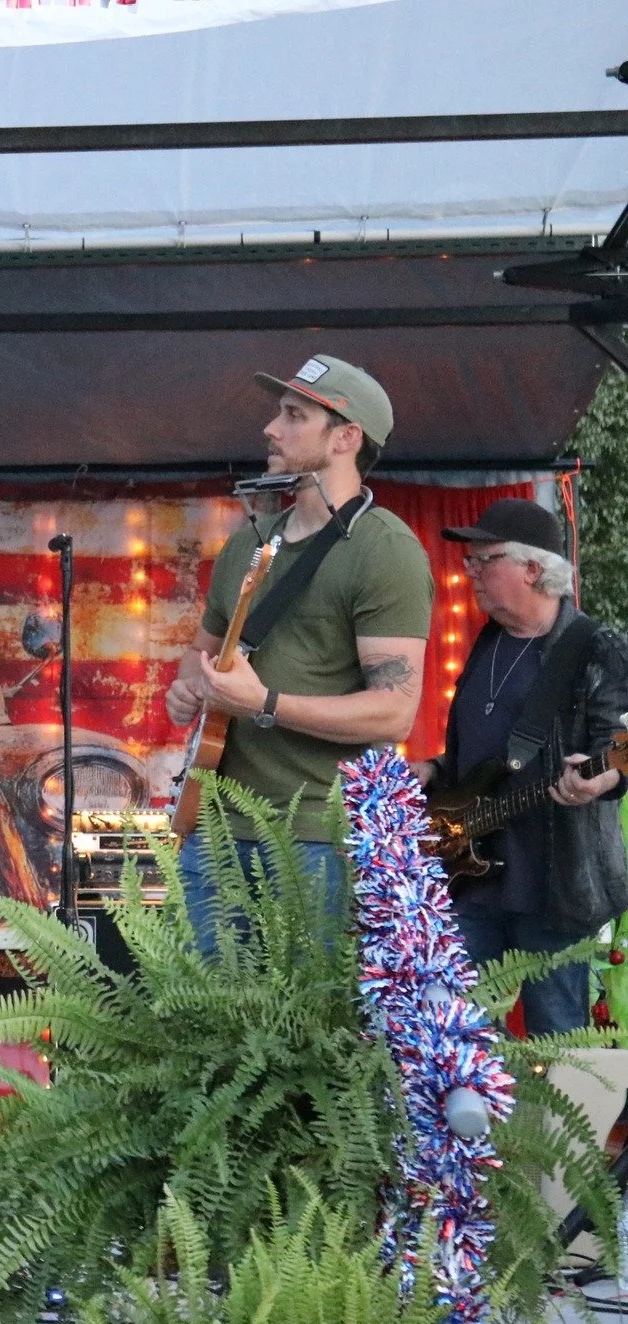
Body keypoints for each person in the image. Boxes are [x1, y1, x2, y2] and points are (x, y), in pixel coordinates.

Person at [165, 356, 433, 944]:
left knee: (303, 1032)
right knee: (201, 1023)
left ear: (345, 437)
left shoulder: (384, 549)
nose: (270, 428)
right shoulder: (249, 540)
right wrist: (187, 691)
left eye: (293, 415)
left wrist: (264, 702)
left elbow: (394, 712)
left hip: (315, 835)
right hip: (211, 828)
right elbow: (198, 660)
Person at [410, 498, 628, 1034]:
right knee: (455, 1029)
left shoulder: (595, 647)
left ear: (534, 569)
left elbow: (619, 745)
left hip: (555, 882)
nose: (470, 571)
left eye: (486, 559)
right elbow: (480, 753)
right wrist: (436, 770)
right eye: (469, 561)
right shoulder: (487, 639)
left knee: (558, 1035)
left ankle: (556, 1124)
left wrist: (604, 778)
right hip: (469, 876)